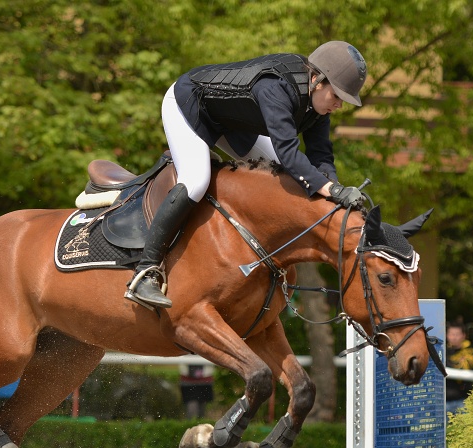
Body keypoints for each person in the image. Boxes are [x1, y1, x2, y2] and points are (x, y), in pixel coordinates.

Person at [126, 41, 369, 308]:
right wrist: (331, 190)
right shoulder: (277, 87)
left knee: (289, 179)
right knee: (196, 181)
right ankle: (146, 271)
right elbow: (289, 153)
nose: (339, 106)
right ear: (316, 80)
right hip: (190, 104)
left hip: (232, 123)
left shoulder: (317, 106)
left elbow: (321, 156)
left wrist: (335, 189)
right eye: (337, 97)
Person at [445, 321, 473, 413]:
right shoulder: (442, 350)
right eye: (451, 334)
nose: (454, 337)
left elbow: (462, 370)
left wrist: (447, 363)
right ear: (447, 335)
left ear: (463, 335)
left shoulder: (469, 351)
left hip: (463, 400)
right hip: (444, 400)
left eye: (457, 334)